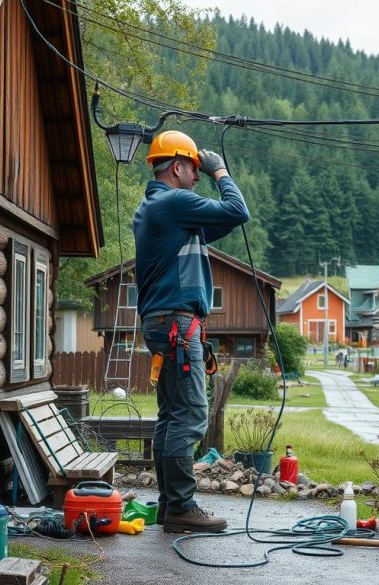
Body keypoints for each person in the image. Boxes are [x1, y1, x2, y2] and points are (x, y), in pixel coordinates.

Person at [134, 130, 249, 533]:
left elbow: (221, 222)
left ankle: (170, 505)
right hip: (178, 324)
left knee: (171, 415)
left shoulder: (160, 210)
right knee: (193, 414)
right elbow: (238, 211)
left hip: (162, 323)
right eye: (194, 170)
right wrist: (221, 171)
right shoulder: (175, 202)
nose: (198, 176)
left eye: (203, 171)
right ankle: (182, 506)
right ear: (178, 167)